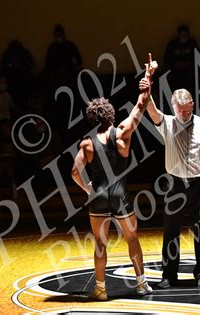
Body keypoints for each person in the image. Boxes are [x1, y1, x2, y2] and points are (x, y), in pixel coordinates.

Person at [71, 55, 157, 300]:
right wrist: (148, 78)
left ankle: (100, 289)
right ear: (110, 115)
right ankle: (141, 284)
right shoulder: (121, 134)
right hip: (120, 195)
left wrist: (87, 188)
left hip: (98, 195)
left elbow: (75, 172)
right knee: (132, 238)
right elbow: (141, 106)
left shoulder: (86, 143)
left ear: (92, 118)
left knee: (100, 244)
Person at [145, 87, 200, 289]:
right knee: (170, 231)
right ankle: (168, 275)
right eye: (179, 111)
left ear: (192, 105)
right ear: (173, 108)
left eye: (187, 110)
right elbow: (151, 110)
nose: (184, 114)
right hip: (175, 184)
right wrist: (148, 88)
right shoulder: (167, 122)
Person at [164, 25, 199, 91]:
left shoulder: (192, 43)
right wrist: (176, 64)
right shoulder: (172, 44)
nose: (183, 37)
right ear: (178, 34)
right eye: (182, 35)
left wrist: (189, 64)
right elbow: (167, 59)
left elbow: (197, 58)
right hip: (175, 73)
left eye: (185, 35)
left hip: (189, 73)